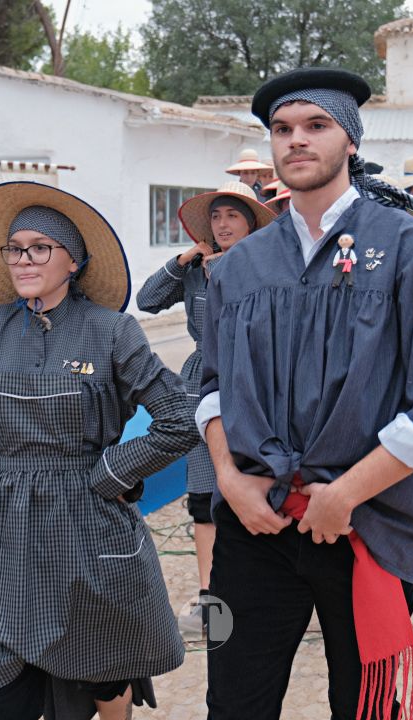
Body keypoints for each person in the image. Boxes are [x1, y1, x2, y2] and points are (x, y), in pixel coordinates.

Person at [198, 67, 413, 720]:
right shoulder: (241, 265)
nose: (297, 141)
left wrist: (345, 492)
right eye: (282, 129)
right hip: (255, 524)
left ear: (349, 140)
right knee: (233, 706)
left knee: (367, 713)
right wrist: (229, 481)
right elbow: (211, 387)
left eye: (316, 126)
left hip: (366, 525)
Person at [0, 181, 195, 720]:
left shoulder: (112, 332)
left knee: (104, 661)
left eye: (41, 247)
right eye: (15, 248)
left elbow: (181, 418)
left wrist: (111, 473)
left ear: (74, 261)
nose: (24, 259)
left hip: (87, 520)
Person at [136, 180, 275, 638]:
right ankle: (211, 603)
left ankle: (266, 596)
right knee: (203, 499)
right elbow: (147, 301)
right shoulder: (194, 269)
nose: (222, 224)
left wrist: (225, 273)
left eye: (232, 215)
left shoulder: (267, 264)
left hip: (256, 382)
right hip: (201, 382)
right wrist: (182, 262)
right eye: (216, 217)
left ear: (251, 222)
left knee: (261, 485)